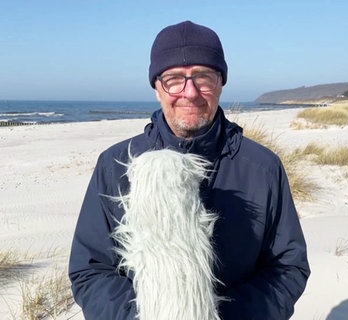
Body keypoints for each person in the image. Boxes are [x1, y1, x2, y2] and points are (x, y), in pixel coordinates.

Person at [69, 20, 310, 319]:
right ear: (157, 87)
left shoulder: (262, 167)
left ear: (221, 82)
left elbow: (289, 265)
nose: (190, 92)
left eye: (203, 77)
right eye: (173, 79)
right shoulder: (115, 165)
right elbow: (89, 268)